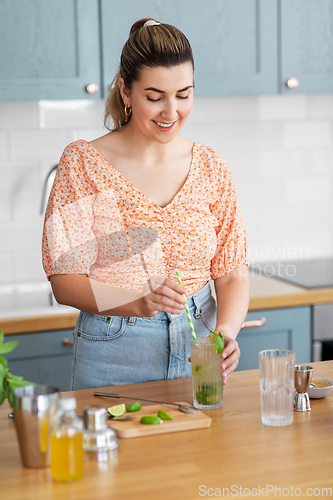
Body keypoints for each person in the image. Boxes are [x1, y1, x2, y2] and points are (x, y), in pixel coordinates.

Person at [42, 18, 249, 391]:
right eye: (155, 97)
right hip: (114, 351)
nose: (171, 112)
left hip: (199, 346)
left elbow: (232, 271)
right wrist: (138, 300)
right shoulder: (83, 164)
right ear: (125, 90)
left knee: (200, 450)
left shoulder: (211, 166)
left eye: (183, 95)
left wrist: (226, 334)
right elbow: (64, 281)